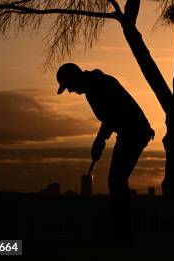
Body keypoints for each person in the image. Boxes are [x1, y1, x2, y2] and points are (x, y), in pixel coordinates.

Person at [56, 63, 154, 241]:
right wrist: (100, 140)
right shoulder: (94, 86)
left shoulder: (98, 85)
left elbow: (111, 114)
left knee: (116, 181)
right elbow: (110, 118)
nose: (70, 91)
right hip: (128, 133)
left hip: (135, 132)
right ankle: (121, 229)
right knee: (116, 181)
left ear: (74, 78)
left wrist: (100, 140)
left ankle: (122, 232)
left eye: (69, 86)